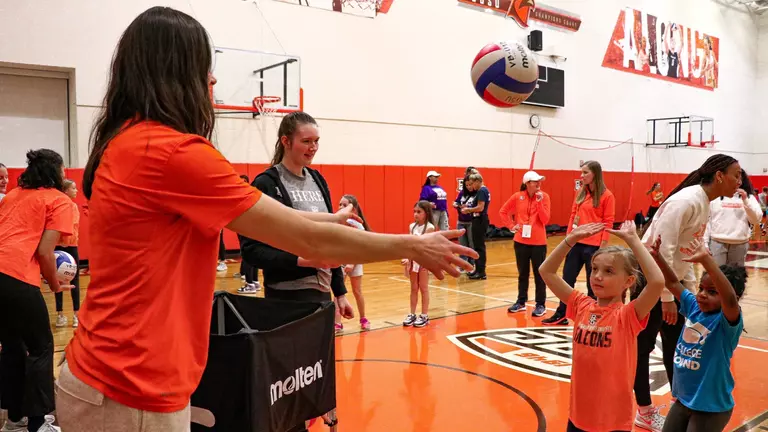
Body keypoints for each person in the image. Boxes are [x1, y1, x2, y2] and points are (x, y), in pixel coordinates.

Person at [55, 8, 475, 432]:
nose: (213, 81)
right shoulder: (172, 153)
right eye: (205, 69)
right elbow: (307, 240)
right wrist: (412, 244)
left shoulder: (127, 140)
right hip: (130, 391)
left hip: (107, 377)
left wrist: (334, 222)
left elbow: (296, 223)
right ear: (174, 74)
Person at [633, 154, 741, 431]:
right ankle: (644, 410)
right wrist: (668, 299)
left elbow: (690, 253)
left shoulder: (704, 202)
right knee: (642, 347)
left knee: (677, 346)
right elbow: (663, 249)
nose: (739, 182)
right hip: (652, 281)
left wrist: (691, 294)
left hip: (672, 282)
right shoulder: (686, 200)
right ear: (719, 175)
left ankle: (681, 402)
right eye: (736, 175)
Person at [538, 221, 665, 432]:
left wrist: (633, 241)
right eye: (594, 269)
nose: (597, 276)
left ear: (628, 281)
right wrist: (570, 239)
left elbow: (657, 282)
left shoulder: (627, 316)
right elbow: (546, 271)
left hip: (612, 422)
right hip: (578, 416)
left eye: (608, 271)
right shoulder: (581, 305)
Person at [0, 149, 75, 432]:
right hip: (17, 277)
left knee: (12, 348)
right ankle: (39, 423)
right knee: (41, 347)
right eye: (63, 170)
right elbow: (46, 251)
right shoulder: (59, 201)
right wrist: (55, 284)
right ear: (55, 173)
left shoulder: (13, 196)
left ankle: (14, 418)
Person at [650, 239, 745, 432]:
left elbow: (728, 298)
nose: (702, 294)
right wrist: (658, 258)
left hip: (711, 407)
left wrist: (706, 260)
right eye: (701, 288)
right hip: (684, 400)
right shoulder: (694, 308)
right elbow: (673, 282)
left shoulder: (726, 321)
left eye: (712, 292)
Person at [542, 160, 615, 326]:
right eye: (581, 172)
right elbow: (572, 215)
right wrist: (569, 239)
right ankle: (561, 314)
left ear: (594, 174)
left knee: (593, 284)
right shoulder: (581, 192)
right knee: (566, 280)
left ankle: (593, 317)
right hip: (577, 244)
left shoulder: (607, 195)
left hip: (594, 247)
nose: (581, 176)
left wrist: (602, 248)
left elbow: (608, 222)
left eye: (585, 173)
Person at [500, 171, 551, 317]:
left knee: (539, 274)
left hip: (539, 242)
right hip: (521, 241)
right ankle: (521, 302)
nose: (539, 184)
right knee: (523, 273)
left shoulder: (544, 197)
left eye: (540, 181)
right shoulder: (517, 197)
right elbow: (503, 211)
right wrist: (511, 226)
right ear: (527, 183)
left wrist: (540, 203)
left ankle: (540, 304)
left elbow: (545, 219)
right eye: (535, 181)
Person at [704, 169, 761, 267]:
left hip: (740, 243)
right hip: (717, 241)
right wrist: (704, 242)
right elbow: (707, 220)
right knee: (716, 276)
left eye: (739, 178)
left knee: (736, 277)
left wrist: (745, 200)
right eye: (734, 177)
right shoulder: (715, 197)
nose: (737, 181)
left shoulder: (749, 198)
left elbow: (756, 220)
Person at [335, 194, 371, 332]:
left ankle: (363, 318)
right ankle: (337, 322)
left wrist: (351, 263)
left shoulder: (357, 225)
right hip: (341, 262)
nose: (340, 207)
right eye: (339, 204)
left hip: (354, 261)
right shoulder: (336, 222)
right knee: (339, 293)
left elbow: (360, 249)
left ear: (353, 209)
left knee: (357, 291)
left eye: (344, 205)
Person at [402, 201, 436, 328]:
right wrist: (407, 258)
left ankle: (424, 315)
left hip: (424, 261)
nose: (415, 214)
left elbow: (423, 248)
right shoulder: (412, 226)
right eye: (414, 211)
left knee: (424, 288)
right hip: (413, 261)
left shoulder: (429, 227)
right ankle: (412, 313)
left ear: (426, 213)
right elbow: (410, 245)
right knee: (413, 288)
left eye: (419, 212)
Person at [55, 179, 82, 329]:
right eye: (73, 188)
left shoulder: (70, 206)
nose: (76, 191)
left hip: (66, 246)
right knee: (64, 281)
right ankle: (66, 316)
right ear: (65, 191)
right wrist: (62, 240)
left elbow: (71, 225)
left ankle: (70, 315)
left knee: (68, 281)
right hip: (63, 247)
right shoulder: (63, 206)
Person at [462, 172, 491, 280]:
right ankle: (478, 270)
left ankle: (481, 271)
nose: (472, 186)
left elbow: (480, 207)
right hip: (478, 219)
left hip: (479, 219)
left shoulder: (482, 191)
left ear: (478, 181)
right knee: (477, 246)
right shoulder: (482, 191)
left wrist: (468, 210)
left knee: (479, 247)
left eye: (473, 183)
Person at [236, 174, 260, 294]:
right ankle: (255, 281)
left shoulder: (247, 195)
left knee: (248, 254)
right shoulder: (249, 194)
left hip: (248, 227)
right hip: (248, 227)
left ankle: (250, 284)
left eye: (244, 181)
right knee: (252, 253)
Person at [454, 168, 477, 268]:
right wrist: (457, 205)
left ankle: (473, 263)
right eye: (467, 185)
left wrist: (468, 208)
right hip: (461, 221)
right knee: (462, 244)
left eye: (470, 185)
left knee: (472, 243)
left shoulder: (478, 193)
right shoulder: (462, 193)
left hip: (472, 222)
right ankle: (463, 264)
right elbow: (456, 202)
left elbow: (479, 207)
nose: (469, 187)